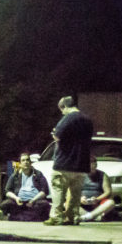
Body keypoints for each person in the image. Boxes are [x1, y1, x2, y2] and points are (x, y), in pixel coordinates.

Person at [45, 96, 94, 226]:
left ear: (65, 106)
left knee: (58, 190)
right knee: (75, 194)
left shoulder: (67, 118)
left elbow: (57, 136)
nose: (62, 112)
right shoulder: (87, 120)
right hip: (81, 164)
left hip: (64, 162)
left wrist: (55, 134)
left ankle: (56, 217)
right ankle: (72, 216)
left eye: (62, 110)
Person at [1, 153, 50, 221]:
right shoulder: (15, 175)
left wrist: (33, 200)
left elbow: (44, 191)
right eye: (23, 160)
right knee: (5, 204)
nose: (25, 162)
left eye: (27, 160)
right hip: (19, 202)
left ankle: (30, 217)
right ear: (20, 164)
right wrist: (16, 198)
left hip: (34, 202)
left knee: (45, 205)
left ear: (30, 162)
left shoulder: (38, 174)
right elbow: (7, 191)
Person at [80, 155, 116, 222]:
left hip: (97, 203)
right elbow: (73, 190)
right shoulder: (80, 175)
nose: (91, 169)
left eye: (93, 166)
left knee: (111, 202)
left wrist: (97, 199)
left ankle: (89, 216)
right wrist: (80, 198)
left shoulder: (102, 175)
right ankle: (94, 216)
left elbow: (108, 191)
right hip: (83, 203)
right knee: (66, 203)